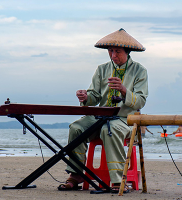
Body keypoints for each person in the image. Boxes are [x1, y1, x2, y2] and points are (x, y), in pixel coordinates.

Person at [58, 28, 149, 193]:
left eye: (117, 52)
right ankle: (76, 174)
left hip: (125, 119)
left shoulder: (139, 71)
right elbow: (94, 96)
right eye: (111, 51)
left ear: (127, 52)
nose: (113, 55)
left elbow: (140, 101)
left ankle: (119, 180)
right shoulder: (102, 69)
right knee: (76, 128)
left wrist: (123, 90)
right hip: (99, 117)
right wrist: (85, 97)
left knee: (111, 129)